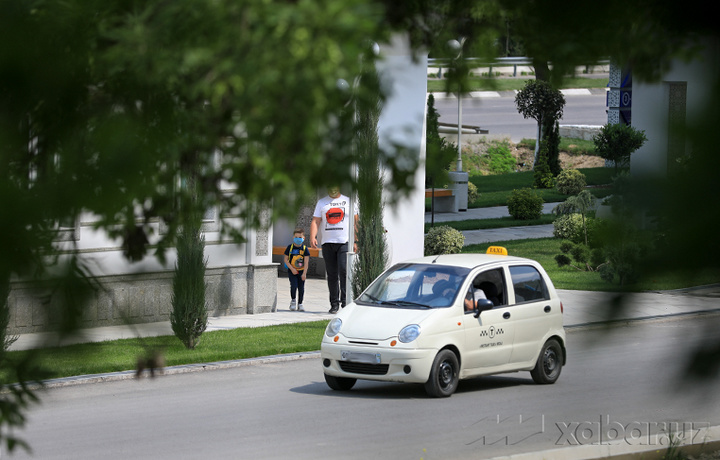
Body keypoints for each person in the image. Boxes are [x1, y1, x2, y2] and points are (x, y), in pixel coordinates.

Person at [310, 186, 358, 314]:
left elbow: (356, 222)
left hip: (344, 242)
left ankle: (345, 302)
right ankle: (334, 304)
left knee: (343, 271)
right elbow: (316, 221)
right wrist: (313, 236)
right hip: (327, 243)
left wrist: (356, 240)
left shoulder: (349, 201)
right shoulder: (322, 202)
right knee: (331, 274)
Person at [284, 228, 311, 312]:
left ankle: (300, 303)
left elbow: (306, 262)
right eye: (296, 237)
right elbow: (286, 259)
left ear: (303, 238)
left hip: (301, 271)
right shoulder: (290, 247)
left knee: (301, 288)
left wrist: (304, 273)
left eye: (300, 237)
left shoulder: (304, 249)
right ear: (293, 237)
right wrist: (292, 269)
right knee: (294, 285)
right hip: (292, 271)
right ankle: (293, 301)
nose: (298, 239)